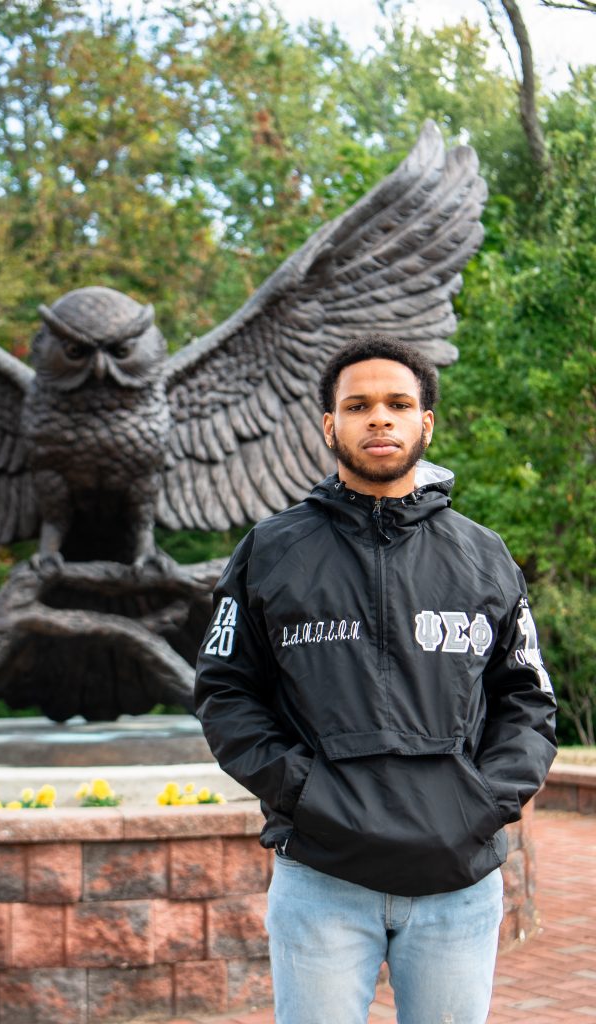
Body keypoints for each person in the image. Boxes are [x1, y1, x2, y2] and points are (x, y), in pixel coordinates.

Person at [194, 335, 557, 1024]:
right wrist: (305, 792)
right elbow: (224, 692)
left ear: (427, 422)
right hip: (322, 877)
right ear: (330, 425)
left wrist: (481, 803)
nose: (379, 418)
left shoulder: (484, 555)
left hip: (458, 881)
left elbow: (527, 702)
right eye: (358, 405)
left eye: (398, 403)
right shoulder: (271, 550)